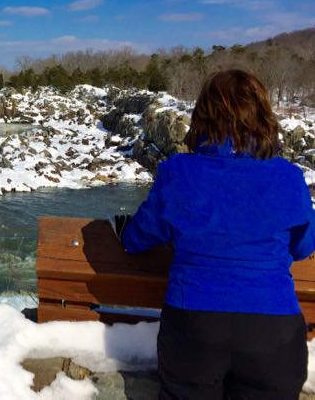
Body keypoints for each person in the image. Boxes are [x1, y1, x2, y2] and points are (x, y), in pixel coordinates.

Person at [115, 69, 315, 400]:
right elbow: (304, 245)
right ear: (264, 117)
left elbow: (137, 238)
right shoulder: (289, 177)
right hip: (273, 330)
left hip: (195, 326)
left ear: (202, 117)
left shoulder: (179, 171)